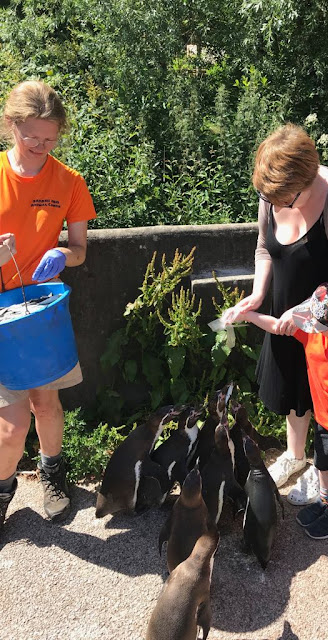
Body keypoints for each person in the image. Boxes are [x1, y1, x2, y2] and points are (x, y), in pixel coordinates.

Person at [223, 123, 328, 506]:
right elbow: (264, 247)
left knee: (327, 397)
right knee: (294, 388)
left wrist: (308, 309)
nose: (277, 207)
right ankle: (295, 455)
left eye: (286, 200)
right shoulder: (274, 192)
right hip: (286, 311)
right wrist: (259, 294)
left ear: (308, 178)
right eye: (270, 199)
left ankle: (324, 469)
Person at [0, 80, 97, 533]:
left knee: (47, 403)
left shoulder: (69, 182)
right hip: (2, 319)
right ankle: (3, 489)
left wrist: (64, 255)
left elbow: (79, 249)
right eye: (30, 137)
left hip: (42, 311)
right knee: (8, 428)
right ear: (10, 126)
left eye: (49, 139)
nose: (39, 147)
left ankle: (53, 473)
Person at [232, 280, 328, 538]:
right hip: (325, 421)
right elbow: (277, 326)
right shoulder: (314, 333)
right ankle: (325, 501)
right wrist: (246, 314)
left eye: (319, 323)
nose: (311, 325)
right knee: (322, 465)